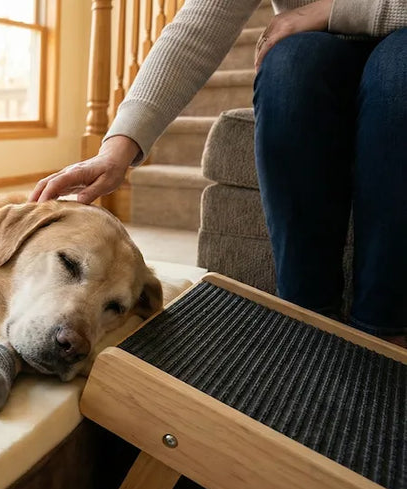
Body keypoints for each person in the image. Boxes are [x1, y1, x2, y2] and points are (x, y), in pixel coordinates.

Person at [29, 0, 407, 348]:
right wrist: (117, 149)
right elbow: (195, 30)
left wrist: (336, 10)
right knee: (292, 63)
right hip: (317, 53)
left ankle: (383, 331)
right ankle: (308, 315)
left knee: (398, 69)